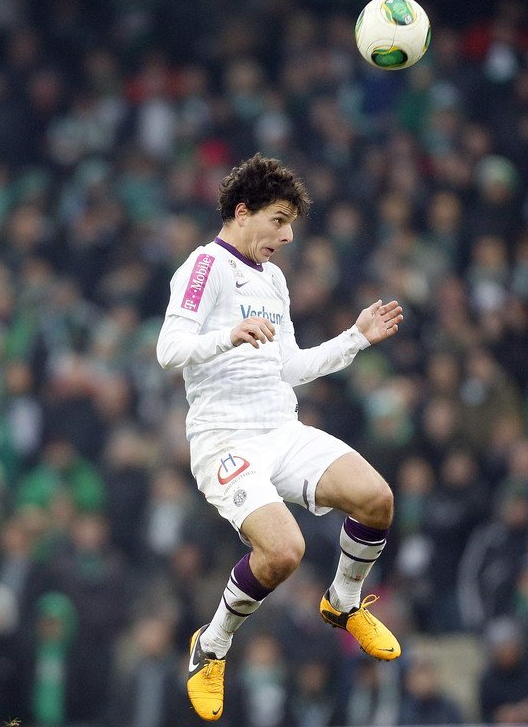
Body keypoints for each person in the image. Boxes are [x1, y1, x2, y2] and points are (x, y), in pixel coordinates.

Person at [156, 154, 405, 721]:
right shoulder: (205, 266)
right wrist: (228, 335)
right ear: (242, 212)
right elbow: (169, 350)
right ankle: (211, 645)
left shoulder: (273, 279)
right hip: (226, 441)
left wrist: (355, 337)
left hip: (281, 429)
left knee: (377, 499)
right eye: (279, 220)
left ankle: (343, 602)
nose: (288, 236)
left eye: (290, 223)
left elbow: (288, 366)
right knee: (284, 552)